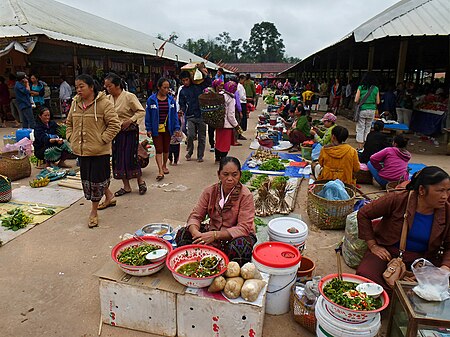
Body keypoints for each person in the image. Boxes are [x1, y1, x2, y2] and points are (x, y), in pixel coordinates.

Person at [357, 166, 450, 293]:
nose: (445, 196)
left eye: (448, 191)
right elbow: (363, 214)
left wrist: (445, 268)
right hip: (389, 252)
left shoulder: (447, 212)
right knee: (366, 277)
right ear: (422, 190)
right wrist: (373, 245)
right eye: (440, 191)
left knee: (435, 290)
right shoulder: (397, 199)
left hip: (423, 259)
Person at [175, 156, 256, 265]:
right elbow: (196, 216)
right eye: (225, 174)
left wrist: (215, 235)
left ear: (240, 175)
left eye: (234, 174)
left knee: (240, 247)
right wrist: (196, 233)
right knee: (183, 234)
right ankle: (203, 259)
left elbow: (244, 228)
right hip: (212, 231)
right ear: (219, 175)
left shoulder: (246, 195)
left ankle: (227, 265)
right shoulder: (210, 192)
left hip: (234, 236)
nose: (230, 179)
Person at [66, 74, 121, 228]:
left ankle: (93, 212)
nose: (78, 90)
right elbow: (69, 122)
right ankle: (109, 196)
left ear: (91, 87)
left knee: (96, 181)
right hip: (82, 150)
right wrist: (70, 136)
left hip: (99, 151)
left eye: (81, 86)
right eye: (76, 87)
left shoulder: (104, 104)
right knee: (90, 180)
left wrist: (102, 139)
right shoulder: (75, 103)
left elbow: (115, 125)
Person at [104, 73, 147, 197]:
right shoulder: (107, 99)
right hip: (116, 132)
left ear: (117, 85)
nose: (108, 89)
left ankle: (140, 181)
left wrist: (130, 120)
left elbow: (140, 111)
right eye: (106, 87)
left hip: (130, 132)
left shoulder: (129, 97)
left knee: (131, 156)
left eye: (109, 86)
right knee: (119, 158)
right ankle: (126, 186)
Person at [146, 77, 181, 180]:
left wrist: (177, 128)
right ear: (159, 87)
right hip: (156, 129)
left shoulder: (171, 100)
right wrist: (148, 128)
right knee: (159, 149)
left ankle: (164, 165)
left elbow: (174, 115)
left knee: (166, 149)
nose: (167, 90)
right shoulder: (151, 100)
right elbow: (148, 115)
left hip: (168, 128)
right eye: (164, 88)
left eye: (168, 88)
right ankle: (160, 171)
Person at [178, 65, 211, 162]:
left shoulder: (198, 86)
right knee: (191, 135)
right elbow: (182, 103)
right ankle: (190, 151)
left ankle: (200, 156)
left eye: (186, 80)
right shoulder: (183, 91)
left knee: (202, 137)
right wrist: (181, 110)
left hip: (201, 115)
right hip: (190, 116)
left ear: (190, 79)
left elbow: (209, 81)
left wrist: (202, 70)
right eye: (183, 81)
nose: (185, 82)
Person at [213, 79, 240, 163]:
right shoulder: (231, 98)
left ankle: (217, 158)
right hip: (227, 125)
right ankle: (223, 160)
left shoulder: (220, 95)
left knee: (218, 143)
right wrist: (236, 125)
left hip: (218, 123)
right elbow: (230, 115)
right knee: (225, 145)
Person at [354, 72, 380, 149]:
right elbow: (378, 101)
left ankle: (360, 148)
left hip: (362, 109)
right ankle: (366, 146)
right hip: (372, 110)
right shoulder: (376, 88)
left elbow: (356, 100)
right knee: (368, 128)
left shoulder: (361, 87)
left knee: (360, 128)